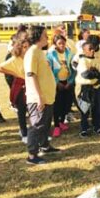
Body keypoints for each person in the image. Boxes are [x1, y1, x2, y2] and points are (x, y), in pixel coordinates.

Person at [24, 25, 60, 165]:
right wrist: (39, 97)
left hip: (46, 97)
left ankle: (45, 146)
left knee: (45, 124)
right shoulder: (32, 52)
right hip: (38, 98)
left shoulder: (39, 52)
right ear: (38, 36)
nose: (48, 37)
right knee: (37, 125)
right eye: (45, 35)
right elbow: (31, 75)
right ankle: (32, 156)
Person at [0, 32, 30, 142]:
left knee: (32, 111)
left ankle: (33, 132)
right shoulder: (14, 59)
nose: (27, 49)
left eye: (28, 46)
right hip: (20, 87)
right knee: (22, 111)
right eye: (24, 47)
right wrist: (14, 73)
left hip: (31, 86)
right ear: (19, 48)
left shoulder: (30, 57)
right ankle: (24, 133)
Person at [47, 35, 75, 138]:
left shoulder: (70, 54)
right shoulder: (51, 55)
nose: (62, 45)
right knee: (57, 105)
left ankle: (62, 121)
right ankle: (57, 126)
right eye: (59, 43)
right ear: (55, 44)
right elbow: (49, 71)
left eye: (63, 43)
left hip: (67, 82)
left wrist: (70, 82)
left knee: (66, 104)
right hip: (56, 83)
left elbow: (73, 70)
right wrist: (57, 82)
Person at [74, 41, 100, 136]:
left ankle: (97, 126)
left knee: (97, 108)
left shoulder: (96, 60)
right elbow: (86, 74)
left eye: (93, 48)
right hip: (84, 88)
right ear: (84, 51)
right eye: (89, 49)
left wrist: (94, 72)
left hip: (96, 87)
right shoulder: (82, 61)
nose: (92, 50)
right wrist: (95, 73)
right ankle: (84, 128)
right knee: (85, 110)